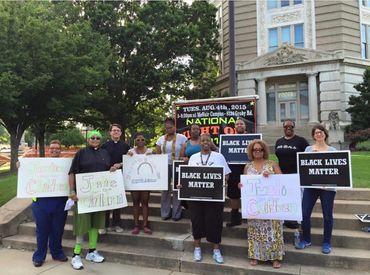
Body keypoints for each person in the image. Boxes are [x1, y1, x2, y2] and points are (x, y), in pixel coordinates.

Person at [68, 130, 117, 270]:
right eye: (92, 137)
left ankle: (91, 251)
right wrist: (72, 190)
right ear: (88, 139)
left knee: (95, 224)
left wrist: (112, 169)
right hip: (83, 196)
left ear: (100, 139)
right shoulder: (81, 153)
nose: (95, 139)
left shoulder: (105, 153)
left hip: (99, 196)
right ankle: (76, 255)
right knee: (81, 225)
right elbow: (72, 173)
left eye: (97, 137)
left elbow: (107, 171)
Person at [18, 140, 68, 267]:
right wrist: (20, 165)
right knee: (42, 230)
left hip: (60, 202)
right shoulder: (40, 164)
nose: (55, 150)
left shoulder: (66, 164)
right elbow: (26, 171)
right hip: (41, 203)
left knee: (57, 230)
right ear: (48, 150)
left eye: (57, 148)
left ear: (60, 150)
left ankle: (57, 253)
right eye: (52, 148)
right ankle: (39, 256)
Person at [185, 133, 231, 264]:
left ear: (211, 142)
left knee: (215, 222)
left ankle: (216, 250)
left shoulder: (219, 156)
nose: (205, 142)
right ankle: (197, 248)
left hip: (214, 196)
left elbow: (226, 175)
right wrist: (182, 184)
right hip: (196, 196)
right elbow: (187, 176)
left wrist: (221, 181)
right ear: (200, 142)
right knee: (197, 221)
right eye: (203, 140)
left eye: (208, 140)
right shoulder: (193, 157)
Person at [241, 139, 284, 269]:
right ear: (251, 152)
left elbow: (283, 181)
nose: (258, 152)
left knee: (273, 231)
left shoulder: (272, 164)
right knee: (255, 231)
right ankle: (256, 255)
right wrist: (241, 185)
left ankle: (275, 257)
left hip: (271, 205)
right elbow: (245, 186)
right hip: (255, 206)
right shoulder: (248, 167)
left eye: (260, 149)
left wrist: (271, 176)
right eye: (255, 150)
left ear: (264, 151)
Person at [295, 124, 336, 254]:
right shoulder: (308, 150)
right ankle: (306, 239)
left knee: (328, 216)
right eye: (316, 132)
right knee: (304, 214)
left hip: (328, 189)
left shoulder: (333, 151)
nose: (319, 134)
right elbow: (304, 168)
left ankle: (326, 242)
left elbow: (338, 171)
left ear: (325, 134)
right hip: (310, 187)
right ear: (313, 136)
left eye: (321, 132)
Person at [275, 119, 309, 229]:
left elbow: (308, 156)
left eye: (291, 126)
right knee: (284, 198)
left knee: (297, 198)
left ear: (294, 128)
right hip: (282, 175)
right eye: (286, 126)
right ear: (283, 128)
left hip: (296, 174)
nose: (288, 128)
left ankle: (296, 220)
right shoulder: (279, 141)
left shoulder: (301, 141)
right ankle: (286, 219)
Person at [100, 123, 130, 234]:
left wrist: (120, 164)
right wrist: (109, 167)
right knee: (107, 201)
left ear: (121, 133)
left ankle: (116, 224)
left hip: (120, 176)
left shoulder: (125, 146)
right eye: (114, 130)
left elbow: (129, 161)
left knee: (118, 201)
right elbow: (101, 159)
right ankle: (104, 225)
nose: (116, 132)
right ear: (110, 132)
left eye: (118, 130)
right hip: (107, 176)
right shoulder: (104, 146)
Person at [156, 117, 187, 221]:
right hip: (164, 166)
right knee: (165, 190)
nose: (168, 129)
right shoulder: (160, 139)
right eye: (166, 128)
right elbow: (158, 154)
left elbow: (185, 152)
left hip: (177, 165)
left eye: (170, 127)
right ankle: (165, 213)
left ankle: (176, 214)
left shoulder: (182, 138)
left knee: (177, 188)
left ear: (174, 127)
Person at [127, 133, 153, 235]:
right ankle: (136, 225)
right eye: (138, 140)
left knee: (145, 202)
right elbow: (128, 164)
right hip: (134, 181)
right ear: (135, 141)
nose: (140, 141)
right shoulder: (130, 152)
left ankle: (145, 225)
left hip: (146, 181)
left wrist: (153, 157)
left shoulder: (150, 151)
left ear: (145, 140)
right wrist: (128, 157)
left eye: (142, 139)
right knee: (135, 202)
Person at [226, 117, 248, 227]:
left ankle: (251, 216)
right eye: (237, 124)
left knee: (249, 194)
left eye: (241, 124)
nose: (239, 125)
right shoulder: (229, 139)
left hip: (249, 170)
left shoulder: (252, 139)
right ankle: (235, 217)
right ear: (234, 127)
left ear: (245, 126)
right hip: (233, 171)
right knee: (233, 196)